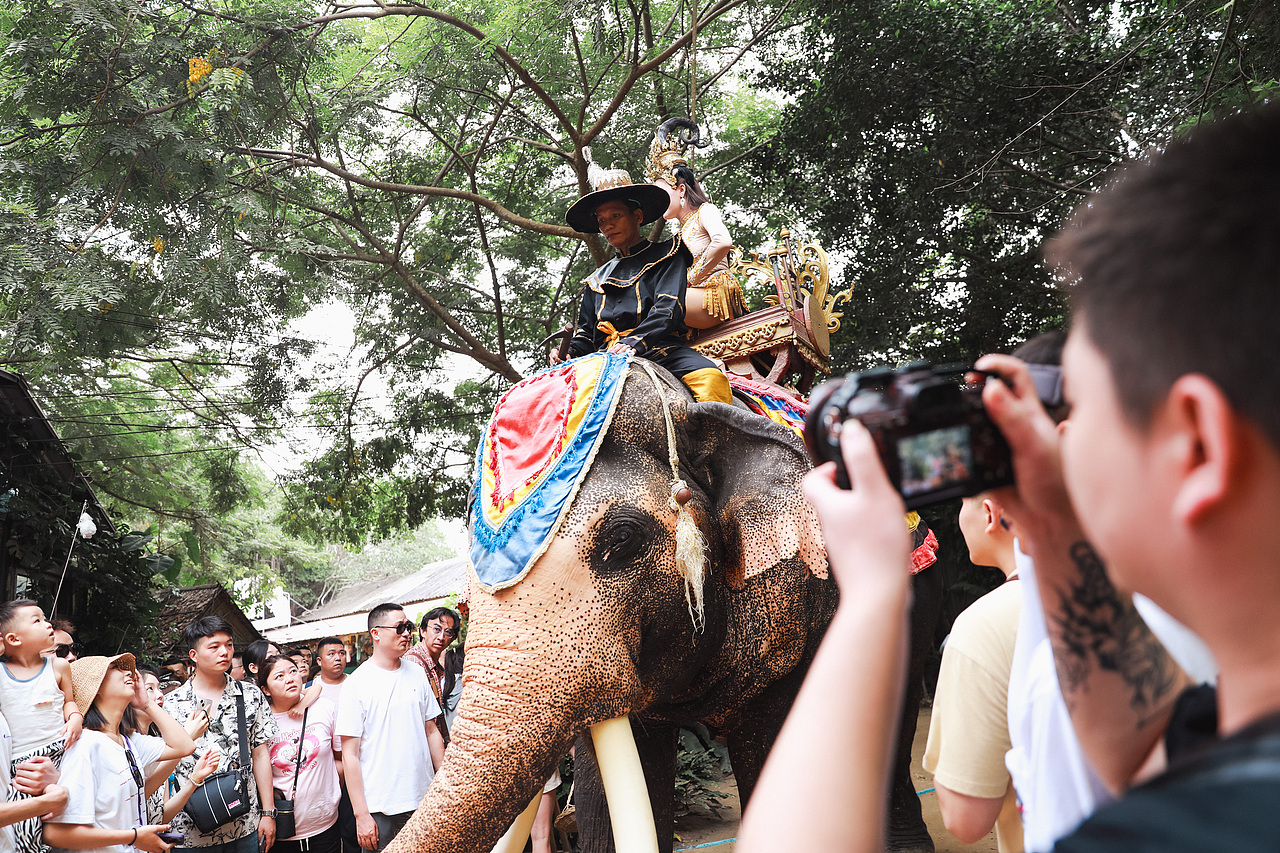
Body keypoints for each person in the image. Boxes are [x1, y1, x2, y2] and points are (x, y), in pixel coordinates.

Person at [742, 105, 1280, 852]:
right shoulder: (1235, 760)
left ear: (1198, 448)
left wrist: (869, 601)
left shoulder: (1174, 834)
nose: (1063, 442)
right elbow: (1144, 741)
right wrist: (1053, 524)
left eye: (1087, 412)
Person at [556, 154, 733, 405]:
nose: (607, 226)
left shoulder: (670, 254)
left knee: (711, 380)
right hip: (604, 356)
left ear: (637, 216)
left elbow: (667, 309)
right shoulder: (596, 279)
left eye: (615, 216)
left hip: (660, 349)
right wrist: (568, 352)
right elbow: (586, 334)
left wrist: (634, 342)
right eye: (602, 221)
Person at [922, 490, 1023, 852]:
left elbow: (964, 819)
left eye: (962, 501)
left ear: (989, 513)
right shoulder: (1144, 586)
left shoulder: (983, 628)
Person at [43, 654, 197, 853]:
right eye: (115, 668)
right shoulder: (85, 746)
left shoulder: (127, 741)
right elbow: (56, 833)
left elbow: (184, 746)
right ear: (95, 688)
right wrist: (133, 837)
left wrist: (146, 704)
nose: (128, 672)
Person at [163, 617, 280, 853]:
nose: (224, 652)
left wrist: (268, 813)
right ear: (194, 655)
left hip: (244, 823)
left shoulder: (250, 695)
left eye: (228, 645)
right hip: (191, 829)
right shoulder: (170, 704)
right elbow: (165, 766)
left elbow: (260, 755)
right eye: (214, 647)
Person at [335, 604, 443, 852]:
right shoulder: (357, 684)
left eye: (409, 628)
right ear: (376, 633)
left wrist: (445, 784)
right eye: (400, 628)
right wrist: (361, 815)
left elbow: (431, 731)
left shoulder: (417, 673)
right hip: (380, 806)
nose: (407, 634)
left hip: (424, 800)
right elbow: (349, 755)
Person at [645, 117, 747, 328]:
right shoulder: (681, 234)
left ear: (681, 190)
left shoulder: (705, 211)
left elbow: (722, 242)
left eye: (662, 193)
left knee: (653, 304)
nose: (658, 201)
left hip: (714, 294)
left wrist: (690, 278)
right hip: (692, 296)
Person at [0, 599, 82, 853]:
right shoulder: (2, 673)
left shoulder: (58, 666)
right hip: (20, 764)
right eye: (37, 620)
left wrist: (76, 717)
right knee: (25, 831)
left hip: (60, 752)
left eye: (45, 618)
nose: (48, 625)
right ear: (13, 639)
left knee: (67, 818)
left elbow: (68, 701)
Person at [257, 656, 341, 853]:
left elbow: (340, 757)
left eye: (293, 671)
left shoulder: (323, 708)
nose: (289, 679)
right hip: (283, 827)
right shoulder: (260, 721)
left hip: (326, 823)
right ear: (266, 690)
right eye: (279, 676)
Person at [310, 640, 355, 853]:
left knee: (352, 826)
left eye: (342, 653)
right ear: (319, 660)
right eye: (331, 654)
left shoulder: (357, 683)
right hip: (325, 771)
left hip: (356, 764)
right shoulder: (308, 691)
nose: (338, 658)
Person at [403, 608, 460, 747]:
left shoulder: (433, 664)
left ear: (452, 638)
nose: (441, 637)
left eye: (448, 632)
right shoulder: (415, 662)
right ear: (423, 631)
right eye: (436, 629)